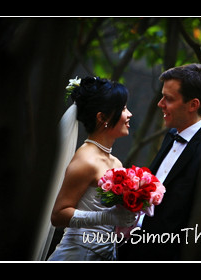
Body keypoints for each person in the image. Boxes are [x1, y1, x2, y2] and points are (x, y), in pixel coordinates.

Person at [119, 63, 201, 260]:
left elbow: (199, 223)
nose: (160, 103)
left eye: (169, 99)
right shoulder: (171, 134)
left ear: (193, 105)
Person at [47, 77, 137, 261]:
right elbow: (58, 215)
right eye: (123, 109)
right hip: (78, 253)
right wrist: (107, 218)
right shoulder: (86, 161)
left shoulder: (116, 163)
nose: (129, 114)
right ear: (102, 117)